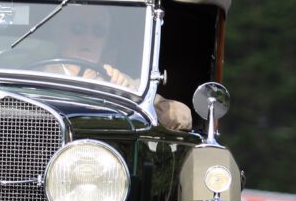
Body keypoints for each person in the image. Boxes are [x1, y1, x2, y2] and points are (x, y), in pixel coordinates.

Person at [42, 8, 192, 131]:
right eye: (78, 29)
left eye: (98, 32)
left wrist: (125, 94)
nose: (88, 38)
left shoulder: (119, 82)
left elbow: (180, 116)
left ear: (106, 41)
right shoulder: (40, 76)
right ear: (59, 34)